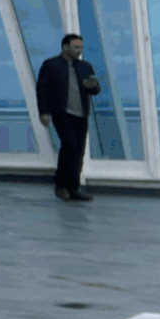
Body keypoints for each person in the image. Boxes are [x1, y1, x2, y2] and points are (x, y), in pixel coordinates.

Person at [35, 33, 101, 203]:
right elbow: (42, 90)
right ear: (65, 47)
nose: (79, 51)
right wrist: (43, 112)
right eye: (76, 47)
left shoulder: (85, 66)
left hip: (81, 114)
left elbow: (95, 89)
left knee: (79, 150)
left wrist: (93, 86)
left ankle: (74, 188)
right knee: (69, 145)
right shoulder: (50, 65)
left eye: (81, 47)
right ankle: (61, 186)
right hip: (62, 113)